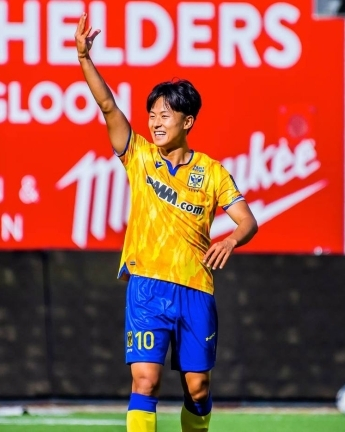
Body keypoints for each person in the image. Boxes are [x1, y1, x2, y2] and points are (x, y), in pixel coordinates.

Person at [75, 13, 259, 432]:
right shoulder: (138, 156)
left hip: (196, 288)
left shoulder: (212, 172)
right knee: (146, 380)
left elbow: (247, 221)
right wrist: (84, 57)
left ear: (187, 121)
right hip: (147, 286)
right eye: (152, 115)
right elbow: (108, 106)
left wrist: (231, 240)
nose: (155, 123)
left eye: (165, 115)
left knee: (198, 387)